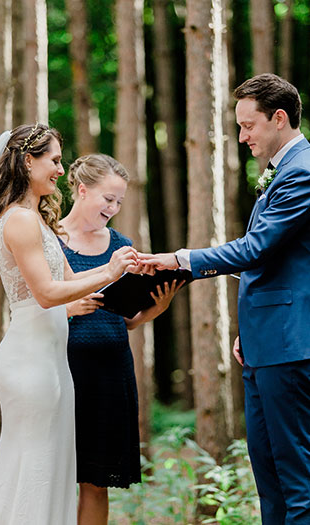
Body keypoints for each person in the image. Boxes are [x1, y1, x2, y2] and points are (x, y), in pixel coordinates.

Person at [141, 73, 310, 523]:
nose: (242, 137)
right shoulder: (282, 172)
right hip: (263, 343)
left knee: (298, 482)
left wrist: (179, 259)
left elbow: (257, 250)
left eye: (248, 125)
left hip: (291, 346)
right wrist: (247, 330)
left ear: (279, 118)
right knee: (269, 475)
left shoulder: (303, 172)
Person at [0, 124, 143, 525]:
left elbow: (70, 281)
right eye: (55, 160)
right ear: (28, 161)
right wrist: (110, 268)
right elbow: (46, 293)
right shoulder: (20, 221)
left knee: (52, 469)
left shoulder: (36, 220)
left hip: (51, 361)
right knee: (33, 466)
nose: (62, 170)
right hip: (29, 361)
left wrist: (122, 273)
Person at [58, 154, 183, 525]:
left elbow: (127, 319)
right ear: (82, 190)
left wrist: (155, 309)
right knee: (58, 474)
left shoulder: (121, 244)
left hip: (111, 373)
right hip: (65, 369)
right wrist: (67, 306)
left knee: (97, 482)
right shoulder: (51, 240)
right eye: (107, 199)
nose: (113, 208)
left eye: (119, 202)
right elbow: (34, 304)